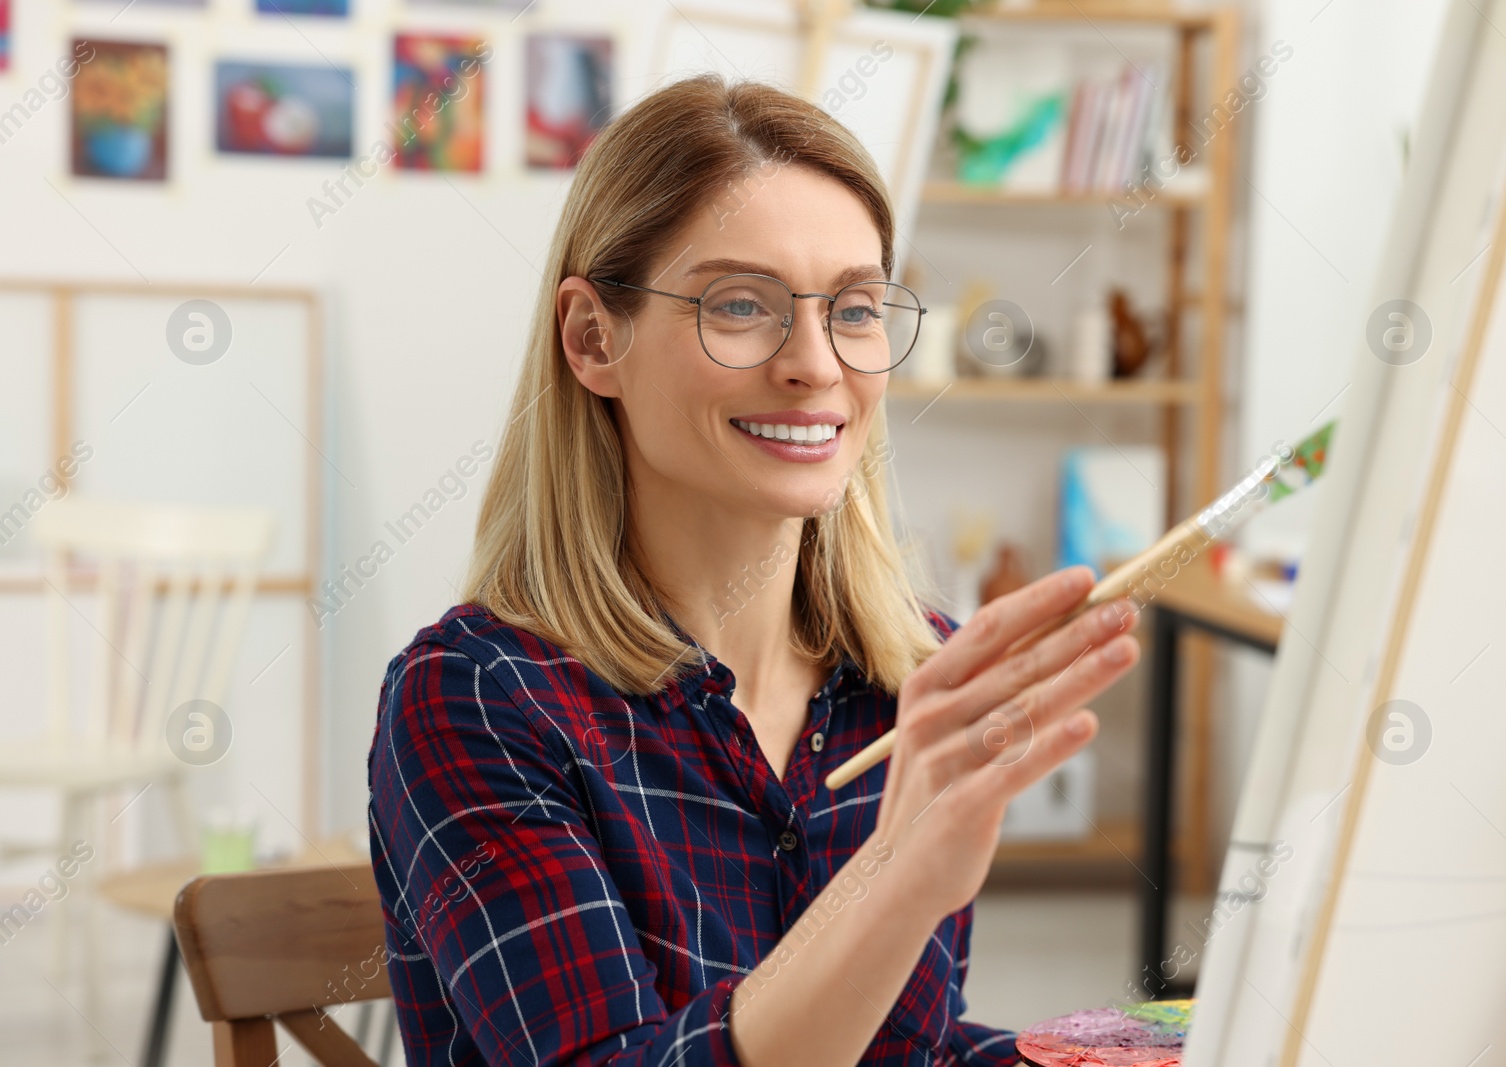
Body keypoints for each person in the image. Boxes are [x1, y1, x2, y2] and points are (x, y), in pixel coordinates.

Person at [367, 72, 1140, 1067]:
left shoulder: (917, 680)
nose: (816, 363)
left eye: (854, 309)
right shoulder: (477, 698)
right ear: (593, 338)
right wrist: (895, 875)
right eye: (741, 304)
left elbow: (908, 1050)